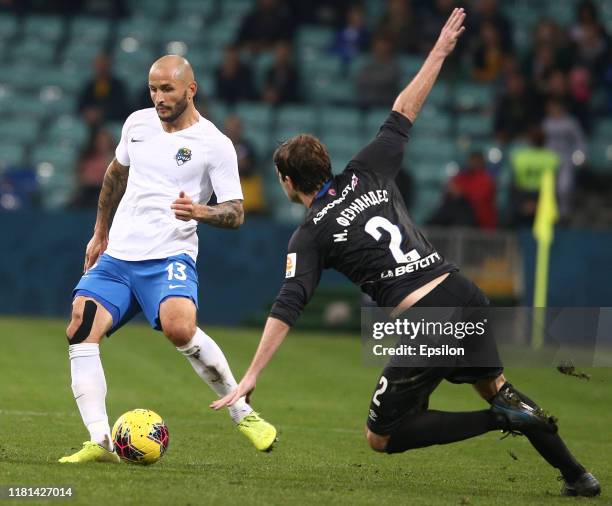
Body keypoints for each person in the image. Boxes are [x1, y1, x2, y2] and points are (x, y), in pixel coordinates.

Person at [212, 10, 600, 498]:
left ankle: (493, 421)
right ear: (326, 166)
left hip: (429, 316)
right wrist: (439, 50)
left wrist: (250, 375)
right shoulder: (365, 170)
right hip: (464, 292)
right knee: (497, 386)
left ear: (288, 183)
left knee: (382, 436)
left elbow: (287, 307)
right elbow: (404, 111)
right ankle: (578, 475)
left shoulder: (310, 234)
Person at [59, 55, 276, 464]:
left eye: (167, 90)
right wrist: (100, 232)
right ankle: (99, 440)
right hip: (120, 256)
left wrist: (201, 212)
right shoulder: (136, 124)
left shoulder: (215, 144)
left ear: (190, 90)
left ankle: (243, 413)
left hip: (169, 255)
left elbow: (235, 212)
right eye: (153, 89)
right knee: (79, 326)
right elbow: (114, 175)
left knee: (180, 328)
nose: (158, 98)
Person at [77, 53, 130, 125]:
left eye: (104, 65)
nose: (101, 68)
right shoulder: (90, 85)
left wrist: (101, 113)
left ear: (109, 66)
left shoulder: (118, 85)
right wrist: (88, 112)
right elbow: (81, 104)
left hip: (111, 122)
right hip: (91, 122)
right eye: (99, 65)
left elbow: (121, 107)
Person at [71, 127, 115, 208]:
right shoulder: (88, 158)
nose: (102, 143)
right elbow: (82, 178)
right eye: (100, 141)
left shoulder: (117, 160)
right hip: (88, 194)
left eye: (105, 141)